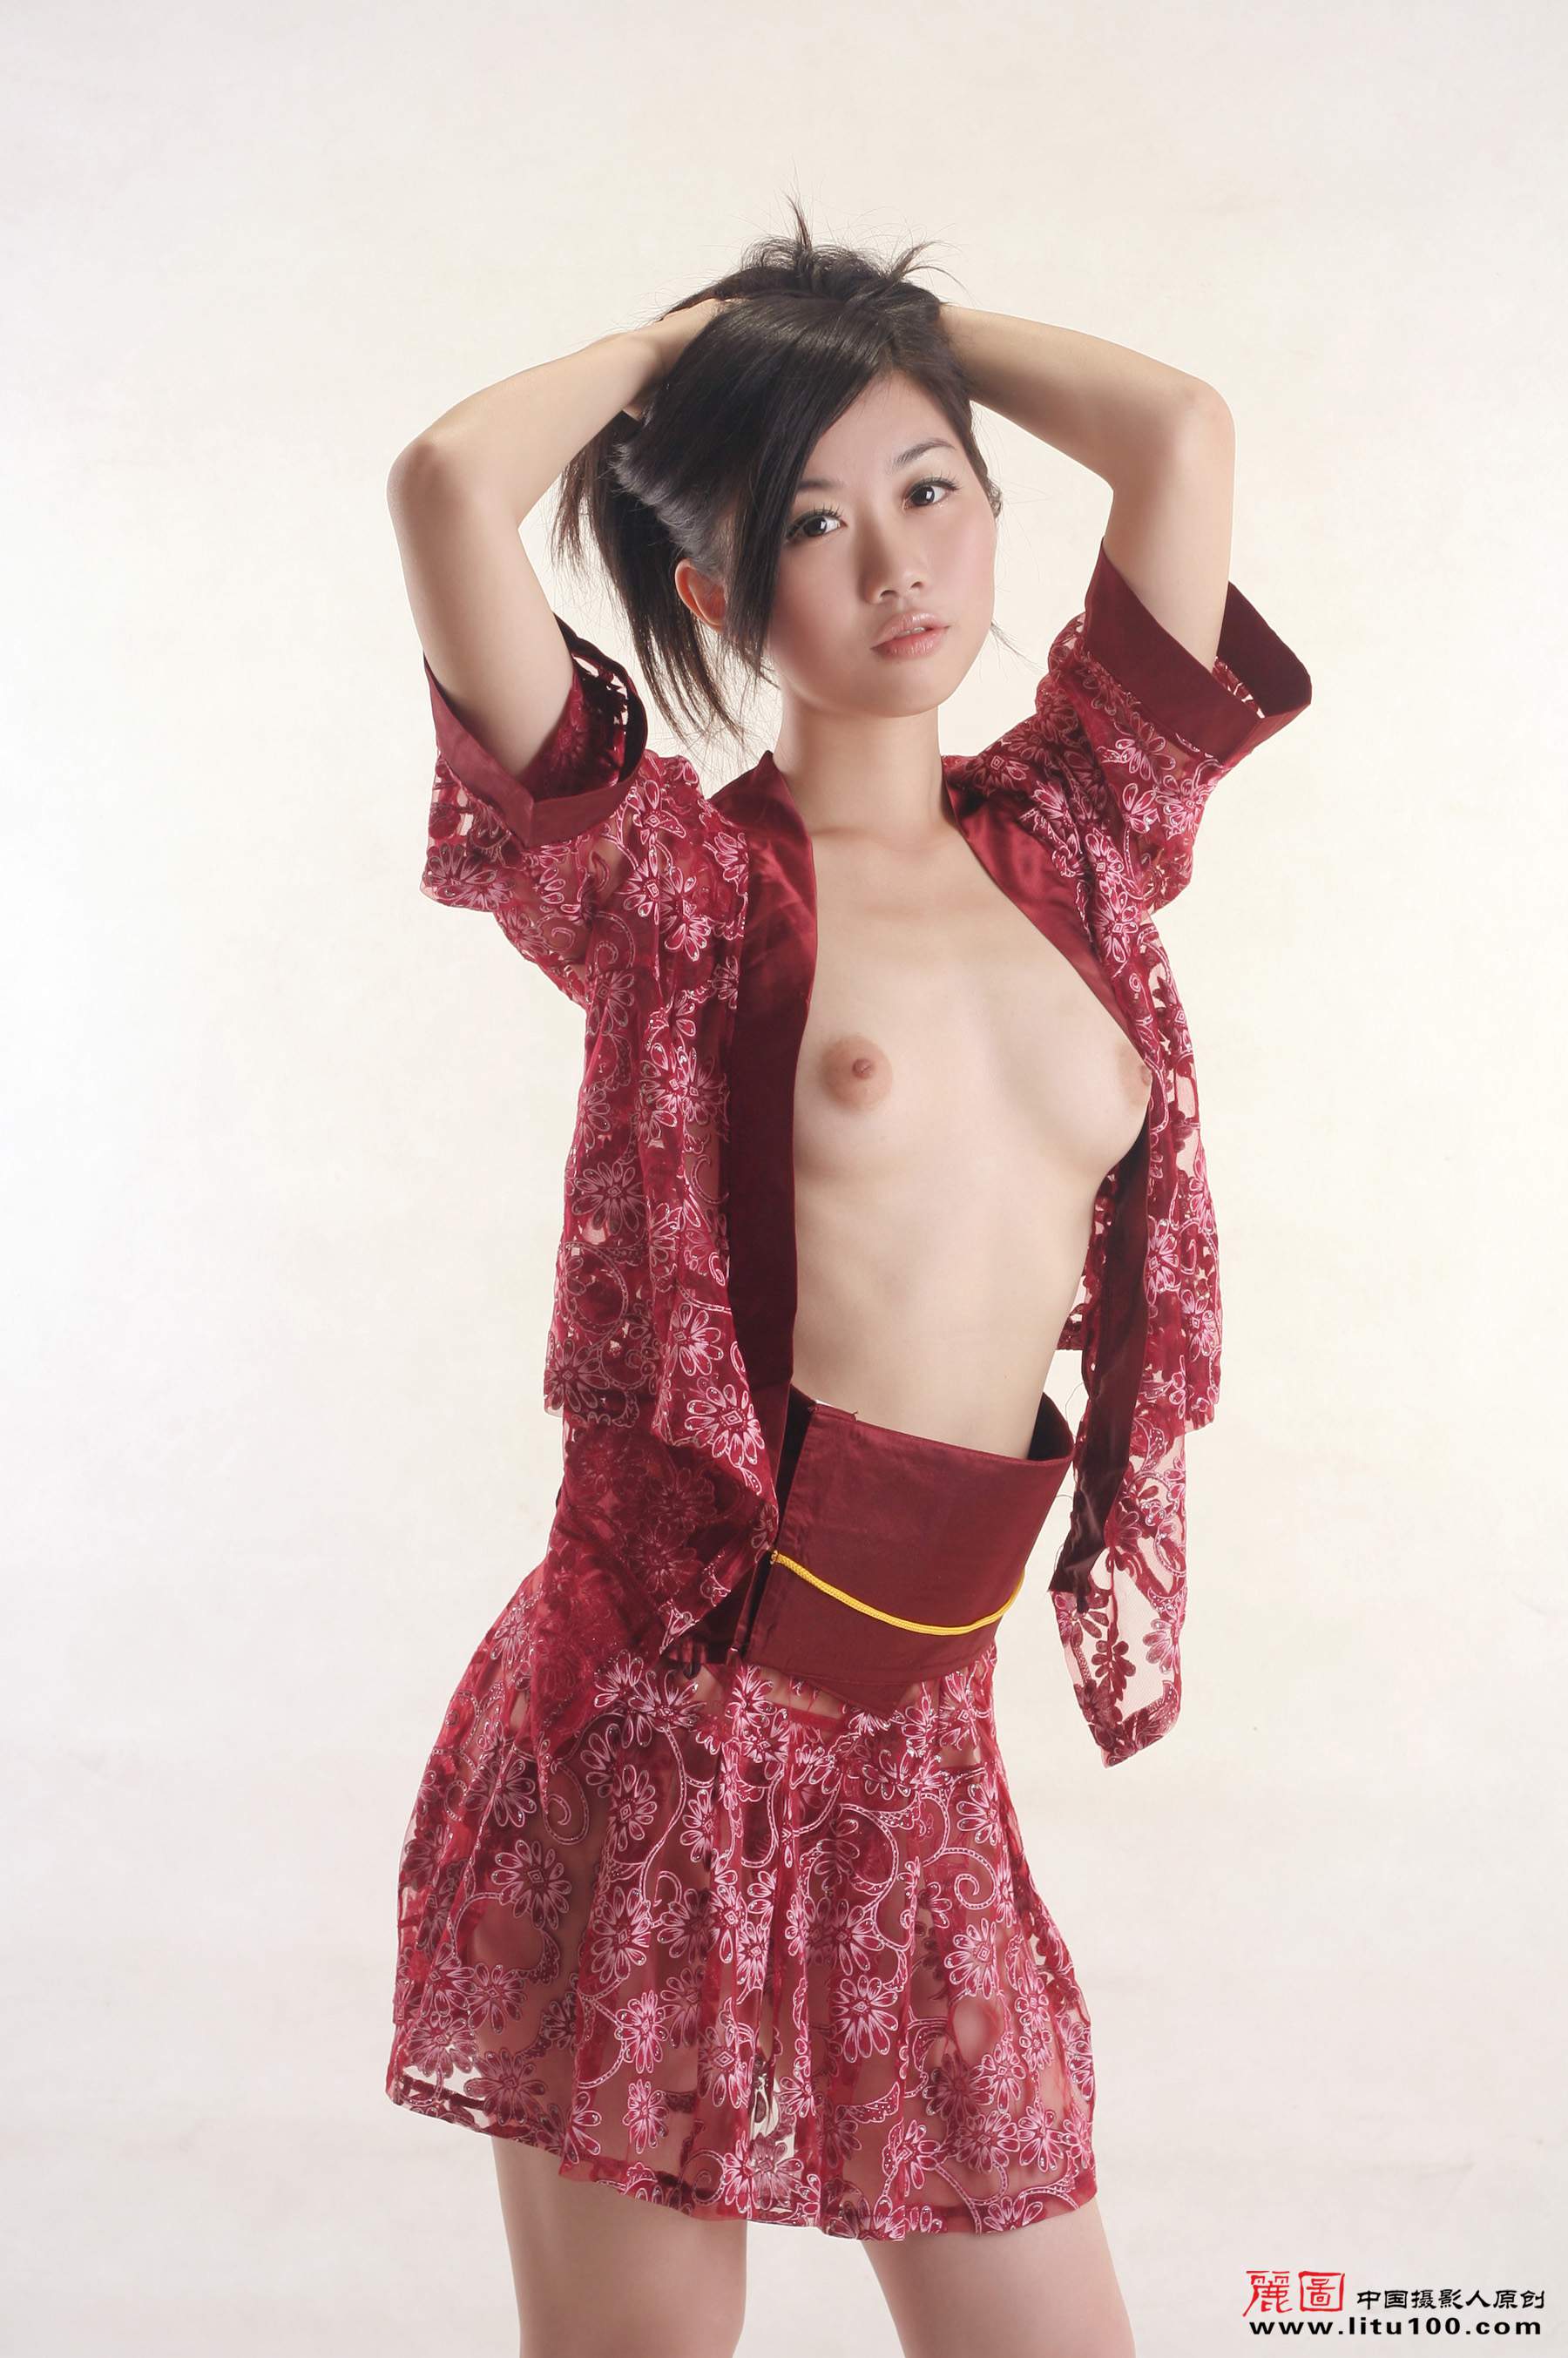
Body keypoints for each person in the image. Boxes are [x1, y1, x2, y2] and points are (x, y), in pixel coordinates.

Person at [382, 201, 1311, 2358]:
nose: (899, 561)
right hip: (668, 1726)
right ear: (719, 593)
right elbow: (447, 485)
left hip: (922, 1748)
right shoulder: (683, 891)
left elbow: (1180, 430)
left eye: (931, 489)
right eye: (812, 522)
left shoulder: (1081, 829)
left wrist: (876, 330)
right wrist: (704, 348)